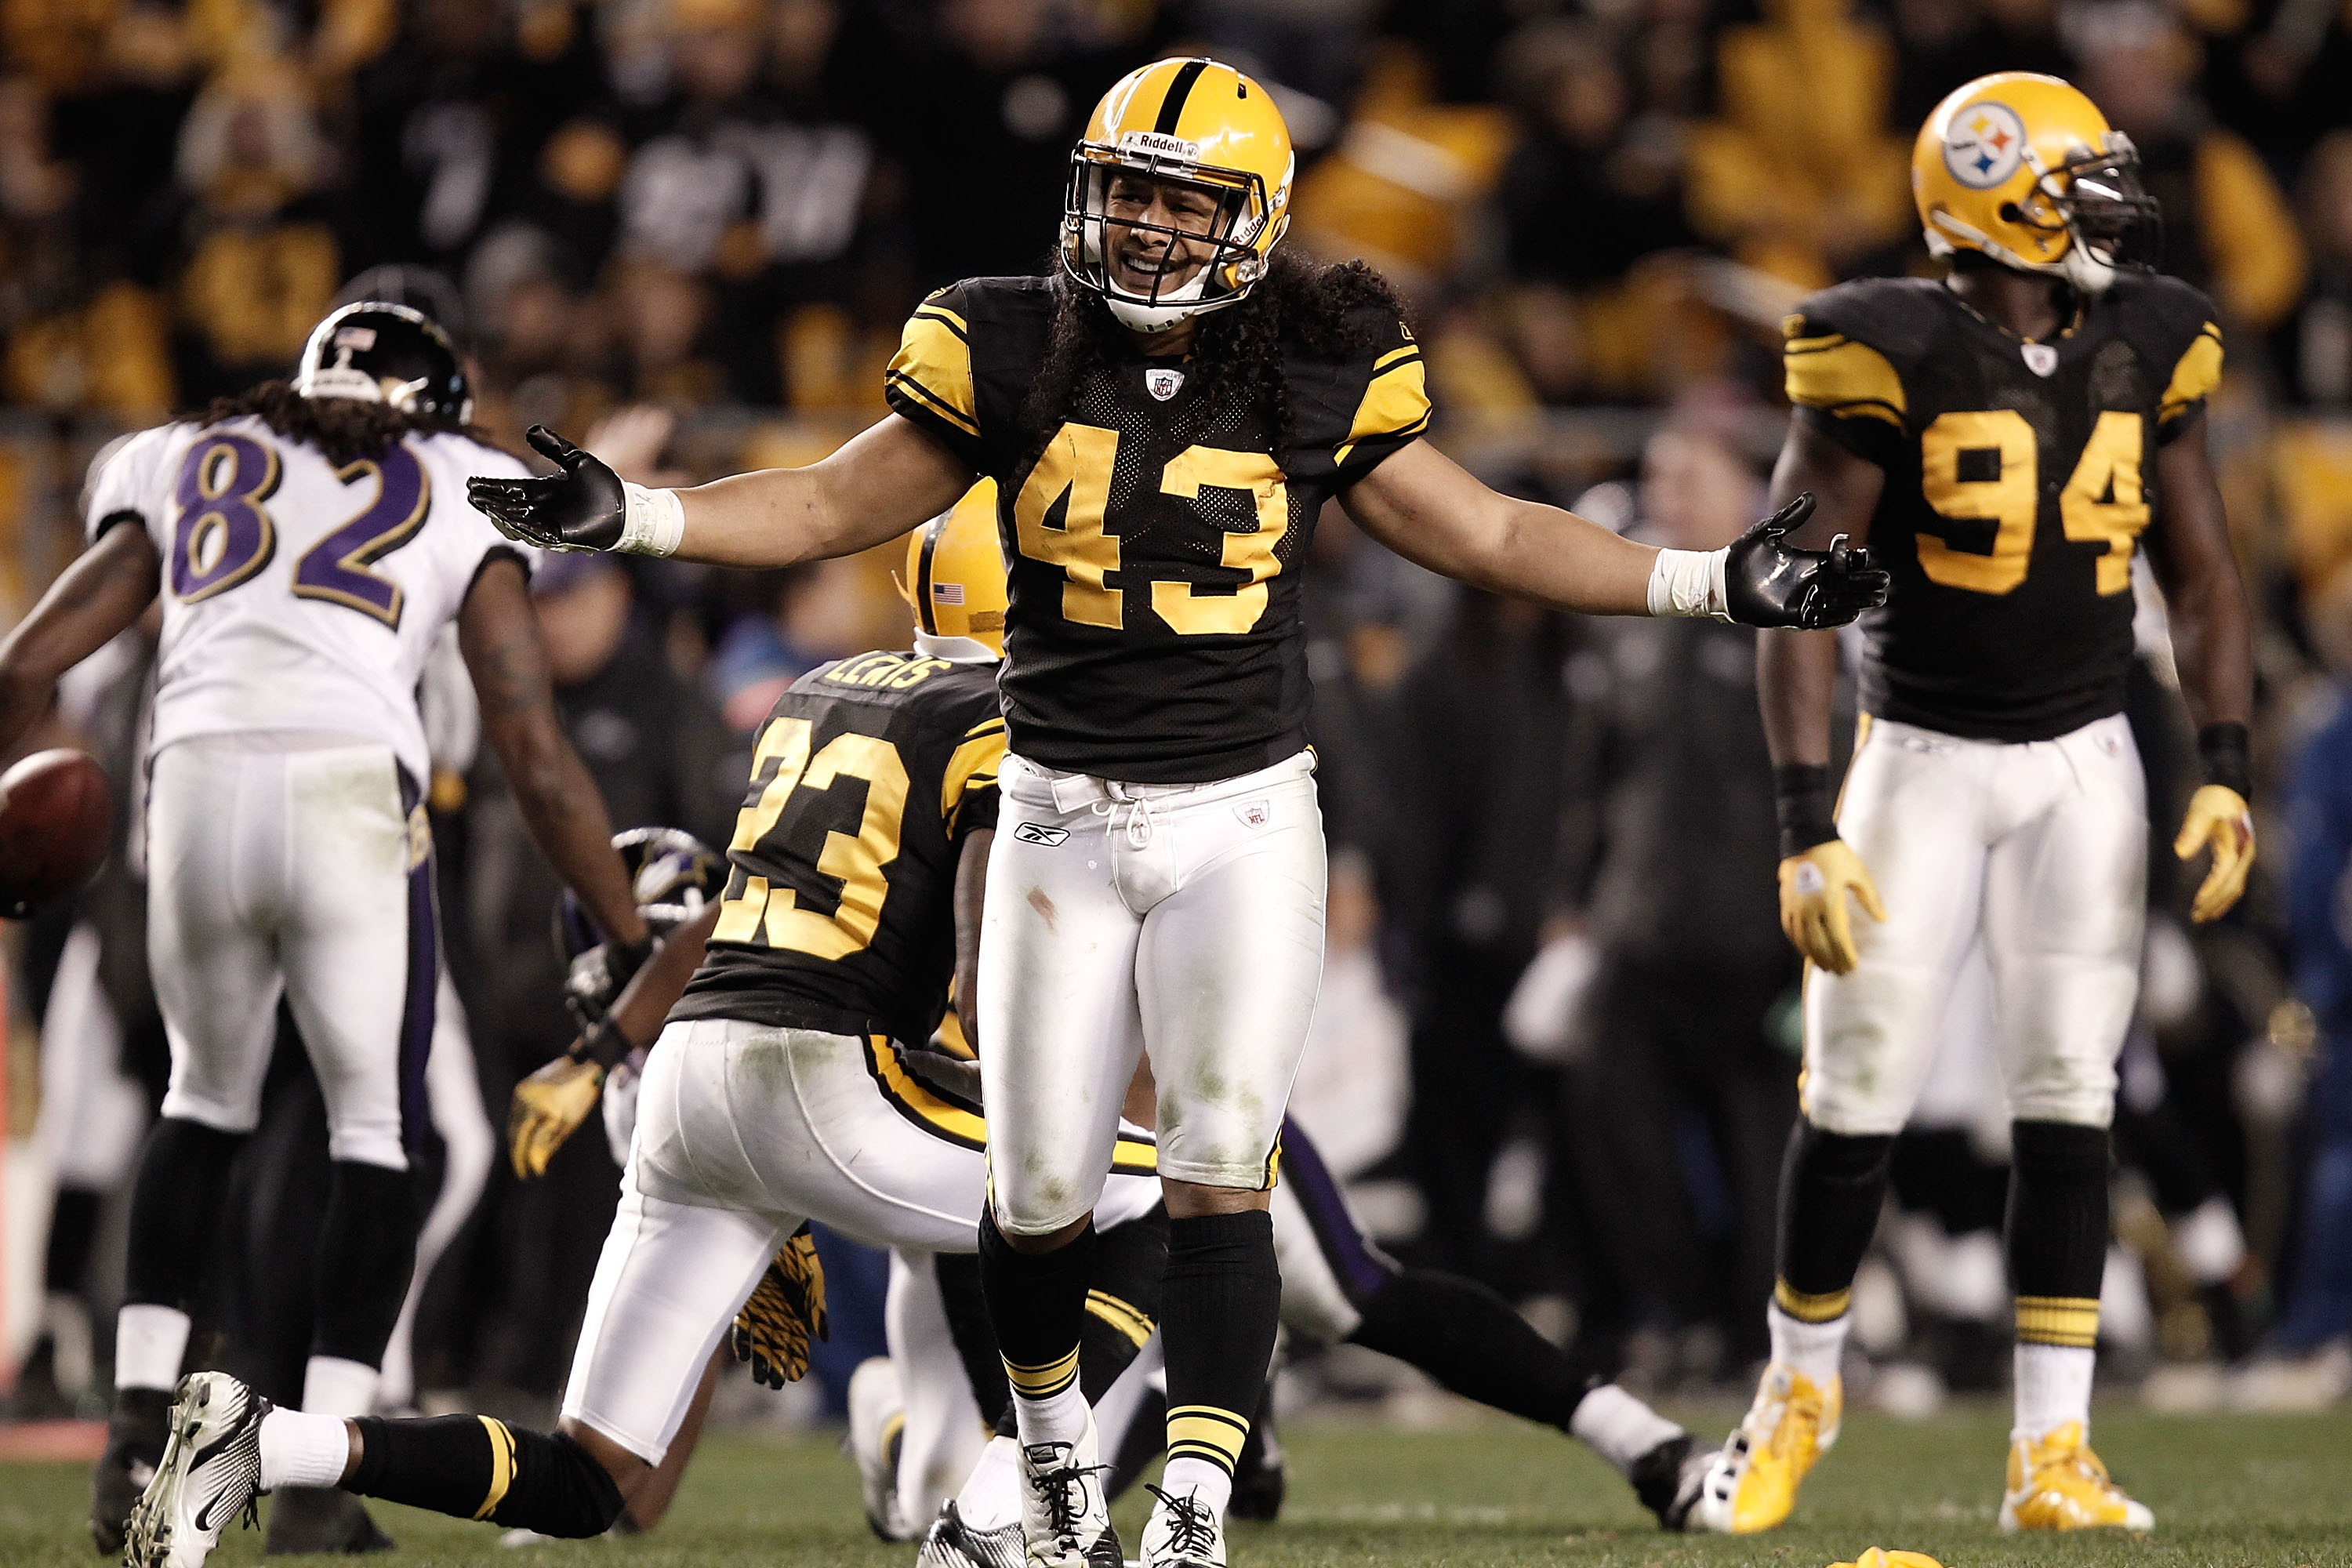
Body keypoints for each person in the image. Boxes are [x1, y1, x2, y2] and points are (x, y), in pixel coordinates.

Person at [463, 54, 1884, 1568]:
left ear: (1255, 217)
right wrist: (644, 515)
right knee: (1036, 1193)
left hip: (1240, 818)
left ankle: (1190, 1512)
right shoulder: (1002, 338)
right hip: (1058, 817)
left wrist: (1710, 579)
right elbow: (828, 499)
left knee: (1218, 1172)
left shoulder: (1321, 357)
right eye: (1125, 188)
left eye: (1180, 197)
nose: (1143, 225)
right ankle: (1061, 1472)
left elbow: (1481, 531)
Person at [116, 500, 1167, 1568]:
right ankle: (1002, 1503)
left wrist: (603, 1047)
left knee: (589, 1480)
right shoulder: (1008, 722)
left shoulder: (818, 691)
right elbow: (990, 976)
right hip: (829, 1079)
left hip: (691, 1078)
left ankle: (267, 1443)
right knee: (1152, 1188)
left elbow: (735, 903)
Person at [1690, 72, 2256, 1536]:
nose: (2107, 208)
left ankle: (2050, 1452)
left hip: (2088, 764)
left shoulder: (2151, 337)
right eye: (2079, 183)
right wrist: (1805, 816)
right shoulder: (1879, 345)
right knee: (1859, 1092)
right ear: (1996, 198)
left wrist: (2226, 764)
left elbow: (2200, 572)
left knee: (2070, 1099)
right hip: (1922, 762)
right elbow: (1797, 592)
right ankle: (1795, 1396)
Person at [0, 300, 652, 1557]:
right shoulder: (464, 476)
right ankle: (311, 1472)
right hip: (350, 789)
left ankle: (136, 1434)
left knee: (202, 1102)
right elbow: (531, 745)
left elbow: (28, 664)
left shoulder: (184, 453)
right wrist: (626, 927)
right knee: (377, 1131)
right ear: (443, 413)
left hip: (188, 785)